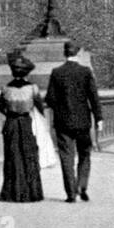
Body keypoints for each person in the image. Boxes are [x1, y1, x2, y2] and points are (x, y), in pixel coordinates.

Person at [43, 41, 103, 203]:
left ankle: (70, 193)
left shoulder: (57, 72)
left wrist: (61, 109)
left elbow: (50, 98)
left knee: (66, 157)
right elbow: (93, 97)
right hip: (83, 122)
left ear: (65, 54)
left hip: (63, 122)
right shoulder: (85, 71)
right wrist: (99, 118)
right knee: (84, 154)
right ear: (78, 54)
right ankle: (81, 186)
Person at [0, 52, 45, 203]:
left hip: (11, 123)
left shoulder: (5, 89)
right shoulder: (32, 89)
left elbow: (1, 108)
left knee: (12, 157)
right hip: (25, 123)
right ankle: (30, 192)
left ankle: (12, 193)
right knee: (28, 156)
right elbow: (40, 107)